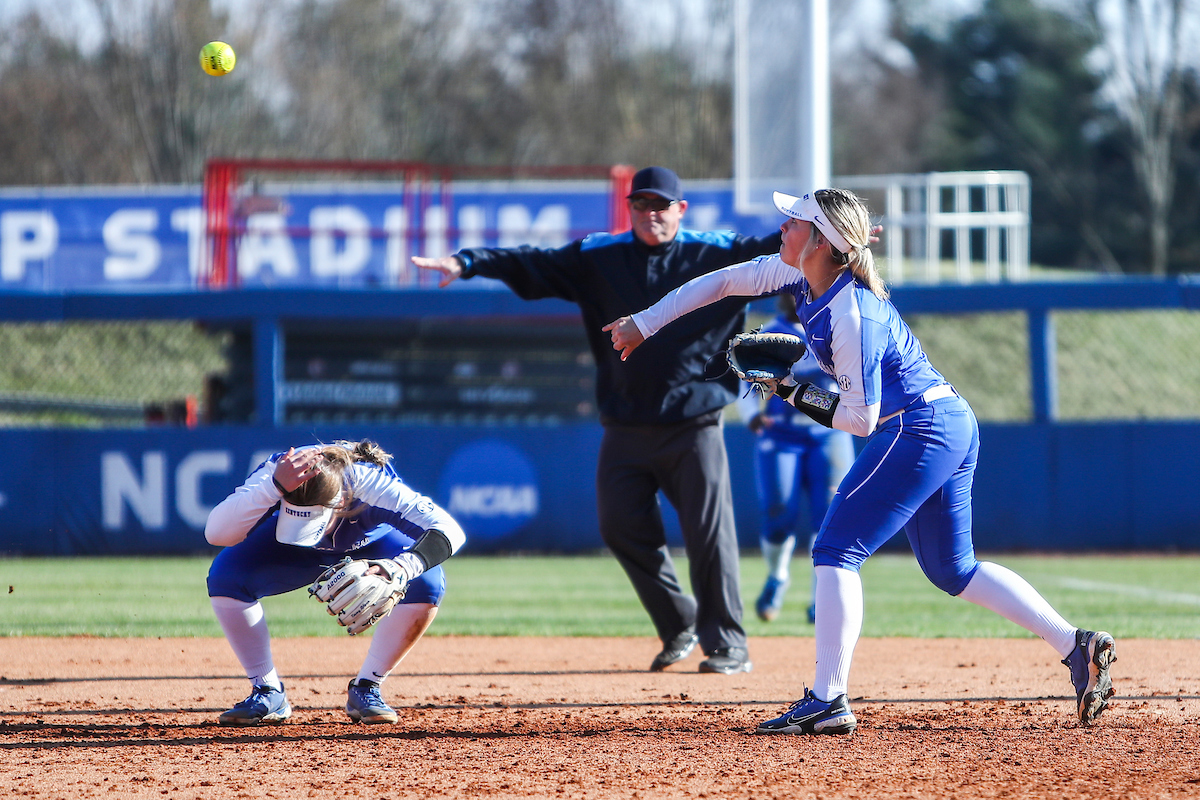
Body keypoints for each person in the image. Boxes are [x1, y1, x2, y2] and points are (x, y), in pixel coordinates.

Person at [606, 188, 1116, 732]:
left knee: (835, 549)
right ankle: (1075, 645)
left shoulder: (851, 312)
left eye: (796, 221)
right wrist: (646, 322)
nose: (784, 227)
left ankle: (828, 699)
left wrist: (787, 390)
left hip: (919, 426)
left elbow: (859, 420)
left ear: (822, 243)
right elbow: (724, 282)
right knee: (953, 569)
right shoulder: (803, 275)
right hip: (945, 421)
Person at [411, 166, 782, 675]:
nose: (651, 213)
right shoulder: (600, 255)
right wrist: (468, 261)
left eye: (661, 204)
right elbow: (532, 263)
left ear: (681, 209)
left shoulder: (714, 251)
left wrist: (834, 236)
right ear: (629, 208)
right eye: (641, 203)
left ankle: (728, 645)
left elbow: (781, 249)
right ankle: (679, 622)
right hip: (625, 421)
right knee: (619, 525)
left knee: (709, 535)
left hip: (694, 422)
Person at [205, 439, 466, 725]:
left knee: (427, 582)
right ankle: (267, 691)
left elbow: (450, 530)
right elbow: (216, 533)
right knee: (226, 577)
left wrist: (401, 568)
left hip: (372, 546)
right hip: (292, 549)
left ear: (341, 501)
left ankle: (367, 687)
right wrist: (273, 487)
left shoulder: (370, 483)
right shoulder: (279, 472)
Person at [735, 293, 855, 624]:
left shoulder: (835, 328)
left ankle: (822, 596)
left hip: (828, 431)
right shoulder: (770, 334)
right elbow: (743, 377)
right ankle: (777, 576)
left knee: (829, 517)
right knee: (778, 513)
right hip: (781, 432)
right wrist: (751, 415)